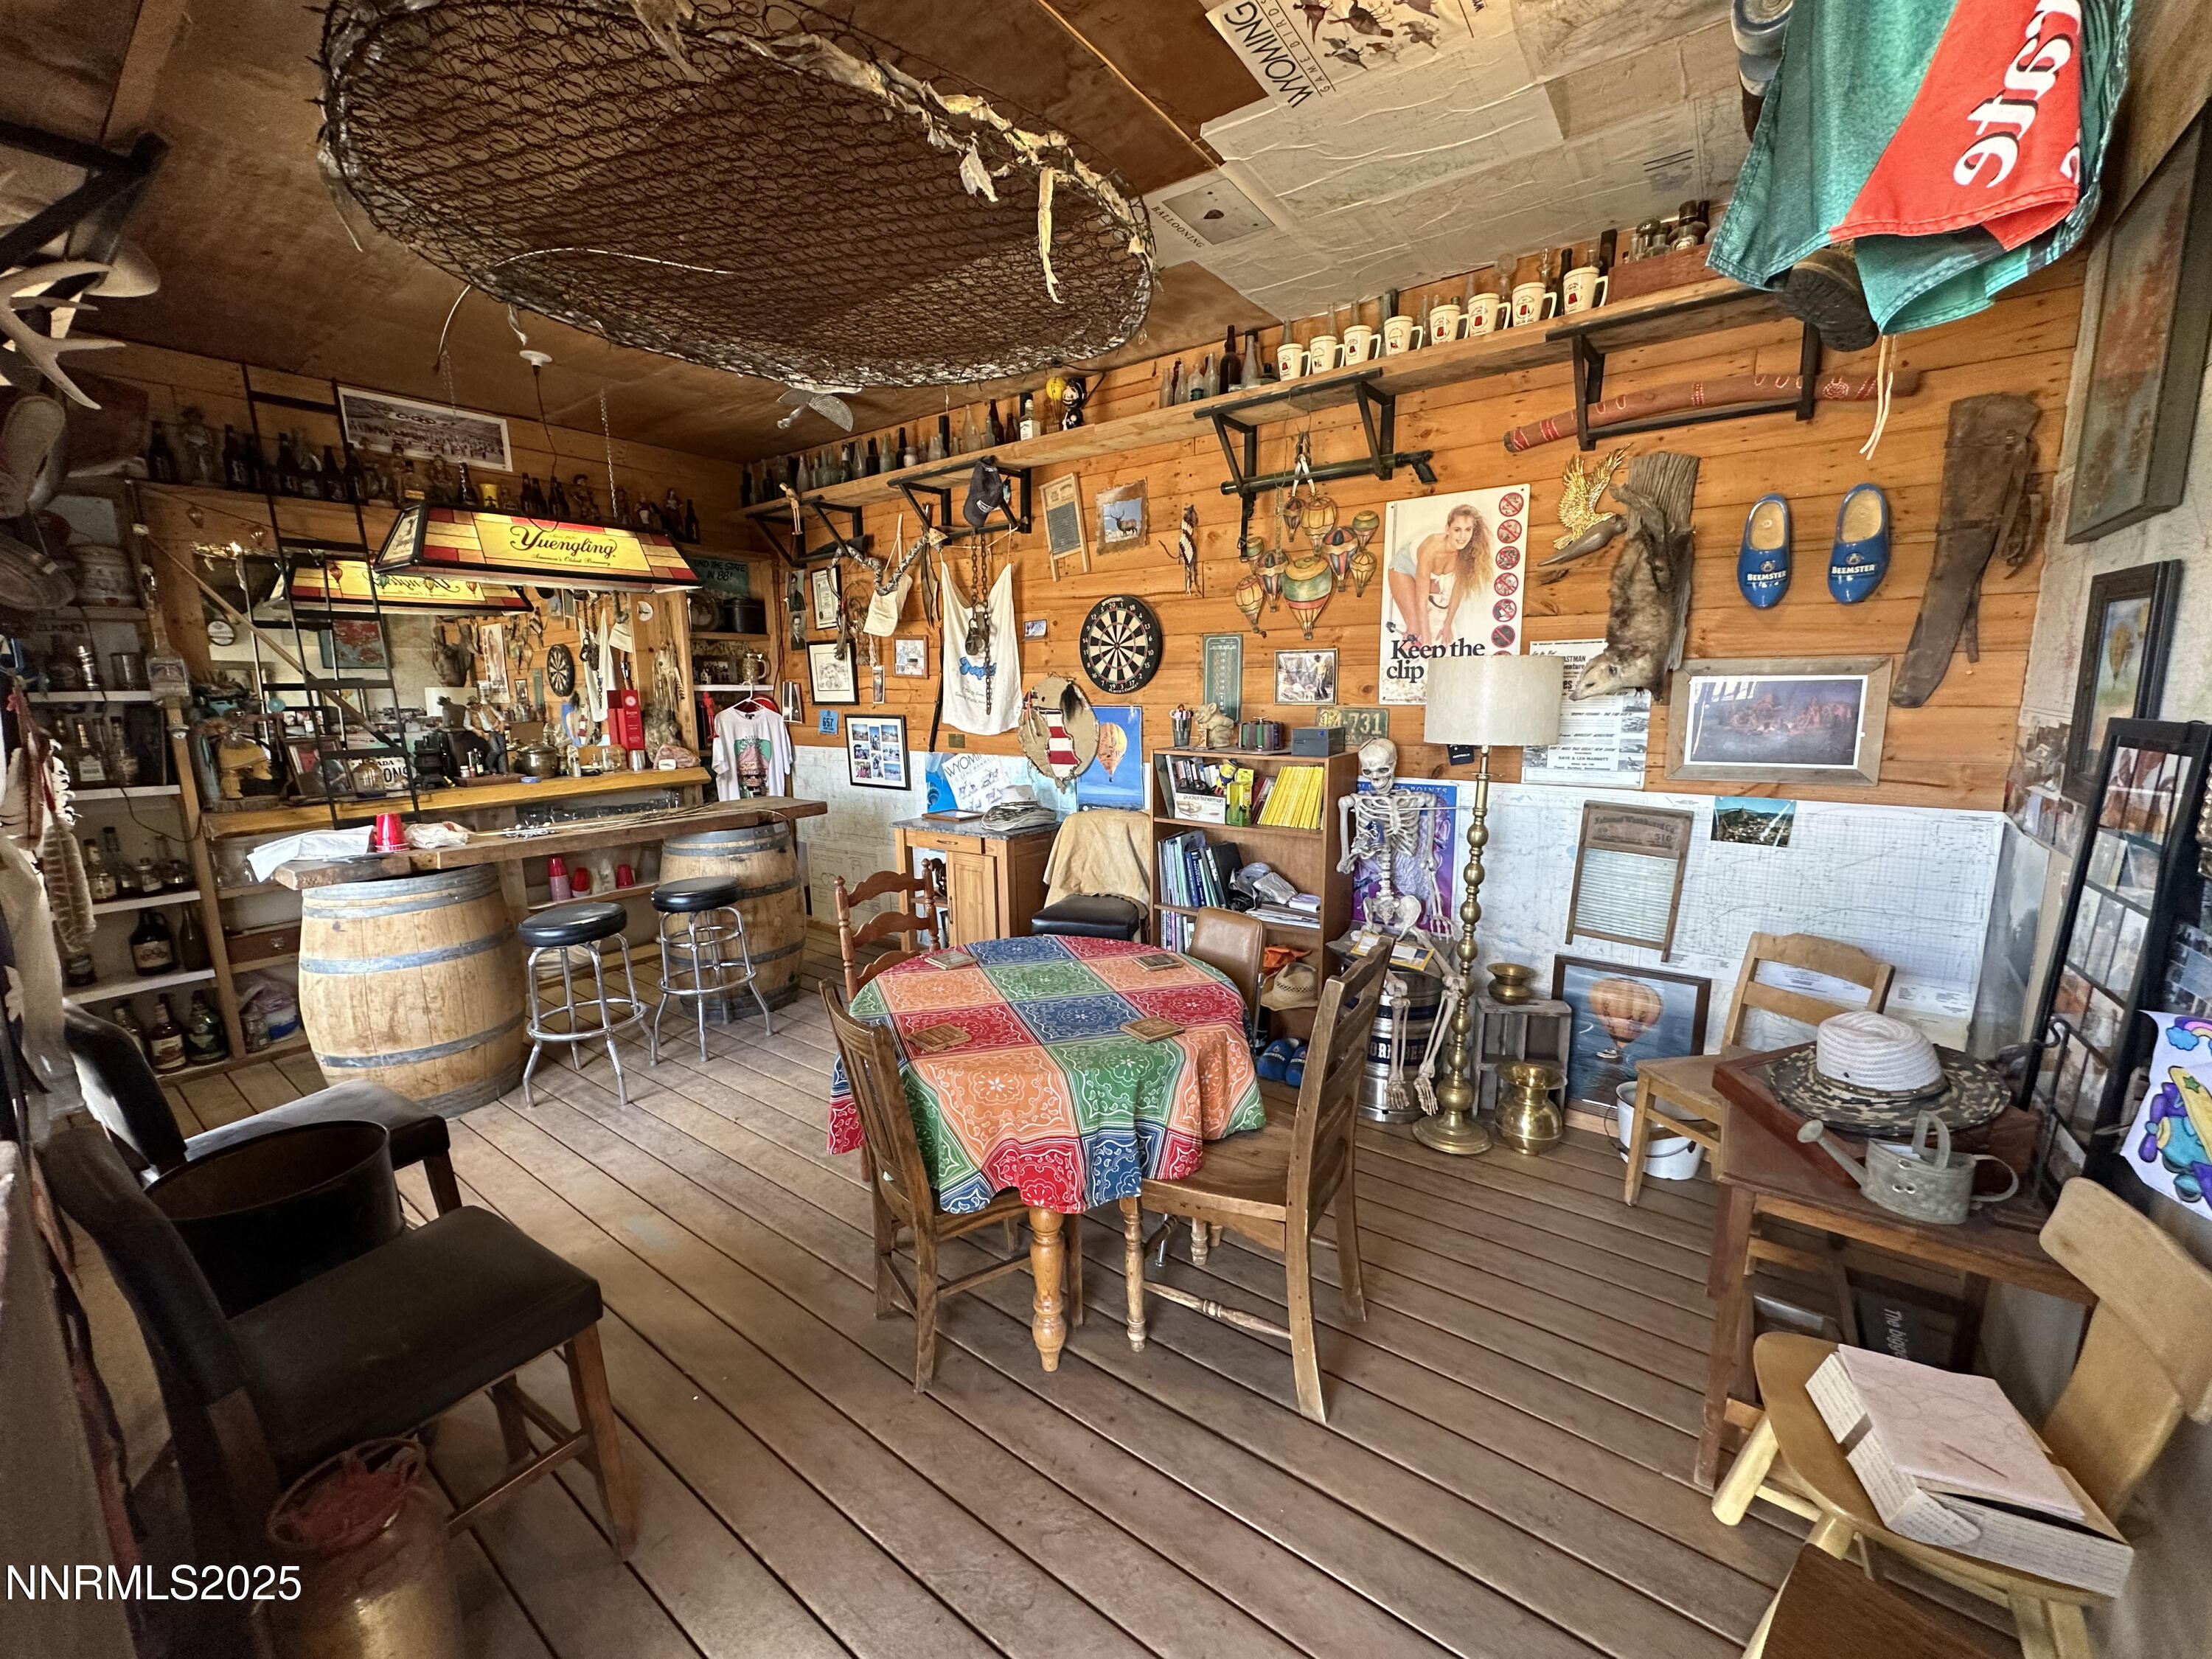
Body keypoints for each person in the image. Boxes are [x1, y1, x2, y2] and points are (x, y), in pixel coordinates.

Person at [1387, 503, 1488, 648]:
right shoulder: (1431, 551)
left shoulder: (1467, 553)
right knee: (1415, 630)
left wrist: (1447, 624)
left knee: (1439, 623)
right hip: (1404, 568)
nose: (1462, 536)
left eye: (1468, 530)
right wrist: (1427, 643)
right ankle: (1400, 664)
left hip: (1429, 573)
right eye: (1457, 530)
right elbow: (1421, 602)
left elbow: (1458, 591)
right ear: (1448, 529)